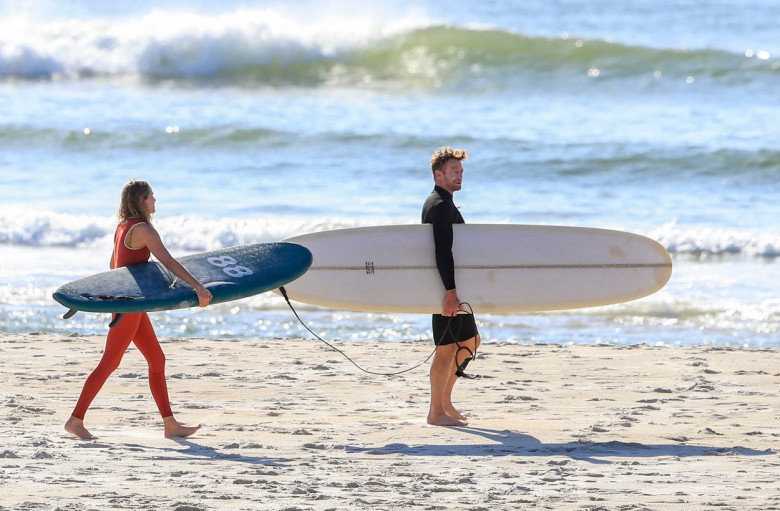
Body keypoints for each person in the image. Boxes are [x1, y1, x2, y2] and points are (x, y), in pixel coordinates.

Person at [64, 179, 213, 439]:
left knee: (156, 359)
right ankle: (75, 420)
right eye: (151, 196)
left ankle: (170, 424)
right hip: (129, 305)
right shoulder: (144, 229)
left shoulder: (123, 227)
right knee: (109, 362)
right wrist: (198, 287)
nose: (155, 201)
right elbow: (167, 261)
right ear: (141, 200)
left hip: (129, 303)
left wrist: (122, 299)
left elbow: (113, 265)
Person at [422, 146, 481, 427]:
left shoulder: (443, 203)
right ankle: (435, 413)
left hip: (452, 288)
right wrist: (449, 294)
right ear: (438, 174)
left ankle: (445, 402)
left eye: (461, 171)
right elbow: (442, 251)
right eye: (454, 171)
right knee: (446, 349)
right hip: (443, 288)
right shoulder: (440, 206)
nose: (460, 175)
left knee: (471, 341)